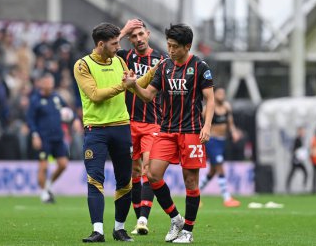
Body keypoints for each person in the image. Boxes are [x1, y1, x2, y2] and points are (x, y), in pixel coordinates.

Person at [123, 23, 215, 243]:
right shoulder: (164, 67)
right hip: (166, 131)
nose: (171, 50)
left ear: (187, 46)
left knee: (190, 182)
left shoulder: (200, 67)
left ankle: (188, 232)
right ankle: (175, 218)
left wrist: (207, 126)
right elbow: (147, 96)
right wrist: (134, 85)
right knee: (152, 174)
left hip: (192, 131)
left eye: (175, 46)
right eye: (169, 45)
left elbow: (210, 99)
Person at [73, 22, 159, 243]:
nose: (118, 46)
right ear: (100, 44)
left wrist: (156, 71)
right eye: (114, 43)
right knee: (95, 180)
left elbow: (134, 85)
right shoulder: (83, 65)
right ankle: (98, 230)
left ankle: (119, 229)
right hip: (96, 130)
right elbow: (95, 95)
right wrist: (123, 86)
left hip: (121, 128)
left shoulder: (119, 61)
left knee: (125, 182)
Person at [117, 19, 168, 236]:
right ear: (130, 38)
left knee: (148, 169)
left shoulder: (161, 60)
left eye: (140, 34)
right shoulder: (124, 57)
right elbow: (103, 50)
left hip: (152, 123)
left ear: (147, 34)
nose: (138, 39)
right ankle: (139, 220)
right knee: (134, 172)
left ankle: (144, 220)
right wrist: (122, 31)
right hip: (127, 124)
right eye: (133, 36)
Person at [26, 73, 69, 203]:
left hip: (58, 137)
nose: (50, 85)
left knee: (63, 165)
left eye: (51, 82)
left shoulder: (57, 98)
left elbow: (66, 110)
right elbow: (30, 119)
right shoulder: (35, 100)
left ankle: (48, 185)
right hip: (43, 138)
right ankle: (44, 193)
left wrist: (73, 119)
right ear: (42, 84)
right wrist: (35, 135)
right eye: (47, 82)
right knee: (43, 167)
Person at [199, 88, 241, 207]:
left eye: (223, 93)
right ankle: (227, 198)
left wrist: (233, 132)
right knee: (220, 167)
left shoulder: (227, 107)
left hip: (222, 141)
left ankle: (194, 194)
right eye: (219, 93)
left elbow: (230, 122)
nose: (222, 95)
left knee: (213, 171)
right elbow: (198, 121)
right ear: (214, 95)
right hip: (212, 141)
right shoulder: (208, 108)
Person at [286, 127, 308, 193]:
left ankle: (304, 185)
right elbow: (294, 150)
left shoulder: (302, 139)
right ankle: (288, 186)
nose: (303, 133)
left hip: (300, 160)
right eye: (301, 131)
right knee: (292, 173)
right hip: (295, 161)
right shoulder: (297, 139)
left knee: (306, 172)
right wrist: (298, 153)